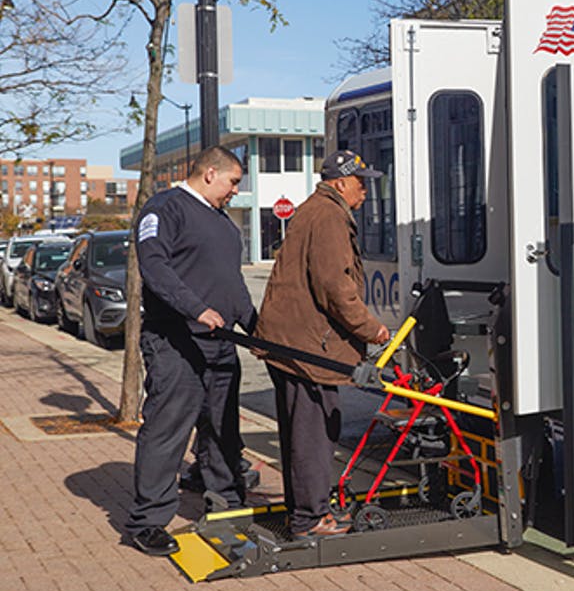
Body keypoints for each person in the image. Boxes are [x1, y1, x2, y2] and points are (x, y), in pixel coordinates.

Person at [125, 147, 257, 556]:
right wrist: (196, 308)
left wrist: (256, 327)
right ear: (210, 173)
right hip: (175, 342)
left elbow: (231, 283)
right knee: (167, 431)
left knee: (222, 430)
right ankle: (147, 521)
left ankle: (225, 504)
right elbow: (155, 267)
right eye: (233, 182)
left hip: (220, 346)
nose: (236, 191)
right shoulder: (165, 209)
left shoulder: (223, 224)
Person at [255, 149, 390, 538]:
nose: (365, 191)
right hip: (306, 347)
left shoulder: (316, 209)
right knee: (313, 434)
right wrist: (370, 329)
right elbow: (335, 287)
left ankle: (307, 511)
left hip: (293, 342)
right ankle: (309, 519)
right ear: (340, 182)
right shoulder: (329, 215)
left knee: (303, 431)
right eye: (361, 183)